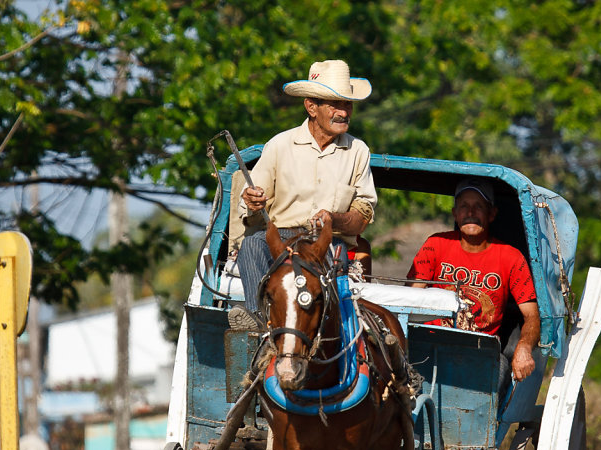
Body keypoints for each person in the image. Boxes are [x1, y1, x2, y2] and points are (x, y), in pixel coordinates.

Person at [229, 59, 377, 330]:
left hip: (329, 243)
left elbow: (362, 216)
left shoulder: (358, 151)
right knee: (252, 244)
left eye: (347, 104)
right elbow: (250, 201)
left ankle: (327, 333)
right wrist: (252, 200)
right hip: (281, 238)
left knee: (333, 264)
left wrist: (333, 219)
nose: (344, 112)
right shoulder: (279, 145)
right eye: (335, 104)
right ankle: (259, 324)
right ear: (311, 106)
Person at [406, 177, 540, 382]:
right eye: (464, 206)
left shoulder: (511, 257)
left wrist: (524, 347)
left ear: (492, 214)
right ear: (455, 214)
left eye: (478, 206)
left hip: (480, 354)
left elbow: (531, 315)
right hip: (429, 346)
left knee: (503, 371)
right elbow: (410, 298)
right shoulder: (436, 244)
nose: (470, 213)